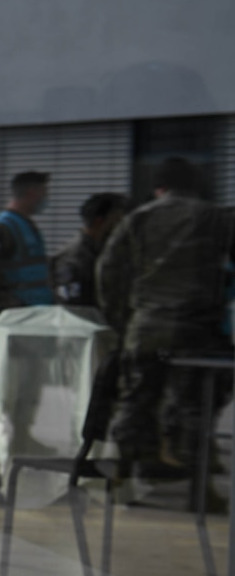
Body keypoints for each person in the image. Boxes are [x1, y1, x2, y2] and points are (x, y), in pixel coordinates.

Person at [97, 157, 235, 481]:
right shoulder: (216, 218)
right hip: (198, 330)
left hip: (146, 328)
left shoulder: (137, 219)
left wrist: (125, 319)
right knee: (195, 408)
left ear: (160, 188)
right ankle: (199, 492)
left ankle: (123, 478)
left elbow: (108, 273)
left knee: (136, 400)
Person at [0, 170, 53, 320]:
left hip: (32, 312)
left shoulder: (26, 225)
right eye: (44, 193)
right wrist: (9, 301)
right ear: (31, 193)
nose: (46, 198)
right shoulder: (4, 227)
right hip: (12, 314)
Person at [52, 191, 129, 312]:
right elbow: (72, 307)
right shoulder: (73, 257)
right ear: (99, 222)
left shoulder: (105, 251)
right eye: (117, 222)